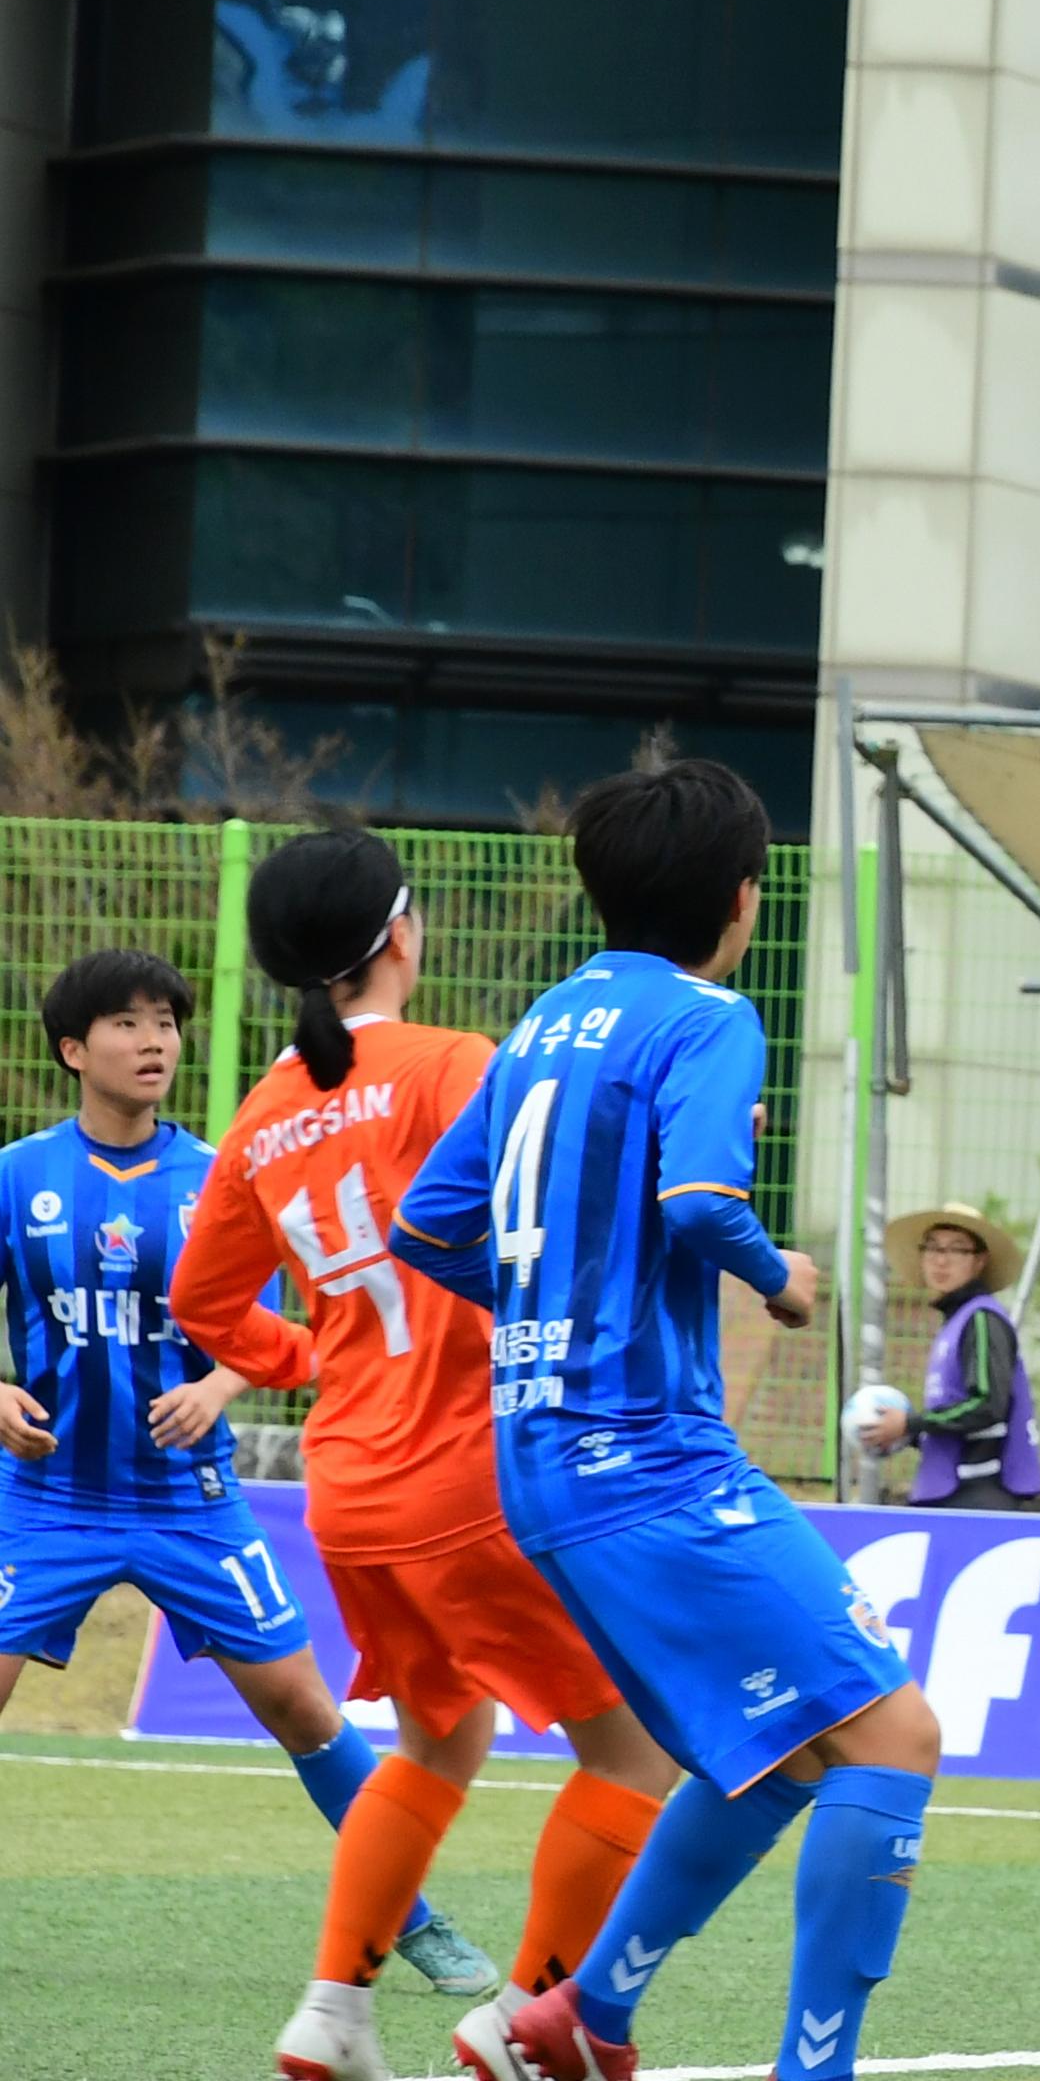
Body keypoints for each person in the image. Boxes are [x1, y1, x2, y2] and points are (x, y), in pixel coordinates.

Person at [391, 758, 942, 2081]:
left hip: (543, 1465)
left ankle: (583, 2017)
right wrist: (781, 1278)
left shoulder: (539, 1026)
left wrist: (556, 1298)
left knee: (787, 1755)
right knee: (895, 1734)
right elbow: (701, 1202)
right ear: (745, 899)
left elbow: (426, 1228)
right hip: (642, 1451)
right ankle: (816, 2069)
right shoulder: (707, 1016)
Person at [172, 833, 679, 2081]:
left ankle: (332, 2010)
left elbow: (205, 1303)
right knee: (637, 1752)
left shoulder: (260, 1116)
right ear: (402, 933)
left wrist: (323, 1356)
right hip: (471, 1476)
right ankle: (527, 2016)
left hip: (351, 1489)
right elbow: (564, 1218)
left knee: (436, 1739)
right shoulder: (459, 1066)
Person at [0, 947, 497, 2004]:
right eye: (128, 1024)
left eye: (167, 1023)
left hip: (193, 1502)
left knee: (306, 1709)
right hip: (47, 1504)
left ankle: (410, 1915)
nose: (154, 1042)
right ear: (73, 1049)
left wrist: (222, 1384)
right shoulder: (17, 1174)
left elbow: (305, 1322)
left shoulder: (227, 1169)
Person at [868, 1205, 1040, 1509]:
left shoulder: (982, 1320)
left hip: (978, 1492)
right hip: (952, 1490)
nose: (941, 1259)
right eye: (932, 1247)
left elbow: (988, 1405)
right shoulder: (957, 1321)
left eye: (957, 1249)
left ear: (979, 1261)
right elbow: (955, 1421)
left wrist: (911, 1423)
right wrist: (905, 1434)